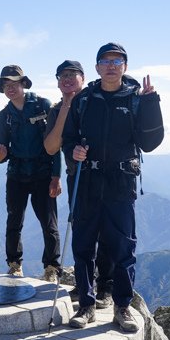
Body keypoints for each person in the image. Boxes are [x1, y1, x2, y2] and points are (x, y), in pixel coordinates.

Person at [62, 43, 164, 332]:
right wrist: (74, 152)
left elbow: (151, 142)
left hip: (121, 183)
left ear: (125, 67)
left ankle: (122, 307)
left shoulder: (136, 98)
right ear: (96, 67)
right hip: (89, 182)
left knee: (123, 247)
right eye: (105, 61)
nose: (111, 65)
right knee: (83, 246)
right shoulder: (84, 99)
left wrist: (151, 102)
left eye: (117, 61)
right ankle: (86, 306)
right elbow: (69, 138)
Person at [44, 60, 114, 309]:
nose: (68, 79)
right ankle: (85, 286)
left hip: (104, 177)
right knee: (83, 234)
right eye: (62, 75)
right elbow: (51, 147)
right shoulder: (55, 110)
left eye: (73, 74)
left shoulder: (95, 100)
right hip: (78, 177)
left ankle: (106, 287)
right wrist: (65, 108)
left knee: (107, 233)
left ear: (84, 77)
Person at [0, 65, 61, 280]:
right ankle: (14, 264)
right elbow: (2, 152)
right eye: (5, 85)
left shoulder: (44, 105)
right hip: (16, 175)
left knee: (49, 223)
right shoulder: (3, 117)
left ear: (23, 83)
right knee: (14, 222)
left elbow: (55, 144)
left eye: (14, 83)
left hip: (42, 174)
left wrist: (56, 176)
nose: (9, 88)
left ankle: (51, 268)